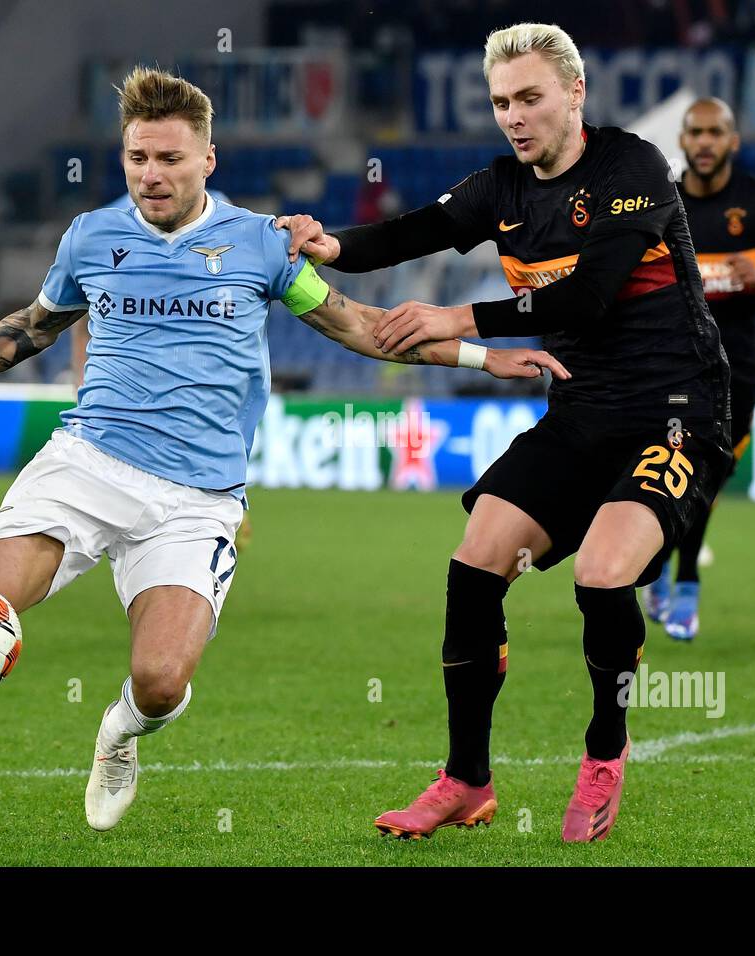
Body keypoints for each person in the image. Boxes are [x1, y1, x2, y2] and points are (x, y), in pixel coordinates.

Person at [0, 67, 566, 843]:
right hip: (85, 466)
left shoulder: (262, 246)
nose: (152, 174)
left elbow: (359, 327)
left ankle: (119, 731)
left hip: (197, 501)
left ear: (207, 159)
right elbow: (33, 326)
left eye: (170, 158)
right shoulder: (91, 237)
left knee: (161, 681)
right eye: (138, 158)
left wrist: (478, 356)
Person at [281, 22, 731, 842]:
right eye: (500, 103)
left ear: (574, 93)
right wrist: (330, 244)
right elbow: (408, 233)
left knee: (600, 578)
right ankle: (465, 780)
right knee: (475, 562)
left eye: (529, 97)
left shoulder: (632, 167)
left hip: (677, 411)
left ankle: (604, 752)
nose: (514, 116)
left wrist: (460, 319)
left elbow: (590, 295)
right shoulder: (501, 188)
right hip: (581, 409)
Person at [643, 97, 755, 640]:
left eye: (715, 132)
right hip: (668, 366)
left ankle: (674, 579)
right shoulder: (658, 203)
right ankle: (669, 577)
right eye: (694, 132)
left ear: (733, 141)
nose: (704, 142)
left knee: (707, 477)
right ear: (684, 140)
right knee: (665, 470)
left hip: (738, 367)